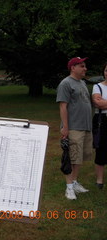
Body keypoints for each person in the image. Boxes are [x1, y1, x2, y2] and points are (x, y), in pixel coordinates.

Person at [56, 57, 92, 200]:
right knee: (71, 157)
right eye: (82, 66)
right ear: (73, 68)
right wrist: (65, 127)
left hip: (85, 126)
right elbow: (62, 106)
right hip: (74, 127)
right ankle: (69, 187)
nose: (85, 68)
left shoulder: (82, 83)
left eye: (85, 66)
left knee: (79, 157)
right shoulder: (66, 83)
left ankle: (75, 182)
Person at [91, 63, 107, 189]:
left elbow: (102, 102)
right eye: (106, 70)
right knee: (101, 149)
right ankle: (99, 180)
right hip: (102, 120)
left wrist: (104, 102)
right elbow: (98, 104)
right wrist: (101, 103)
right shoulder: (97, 87)